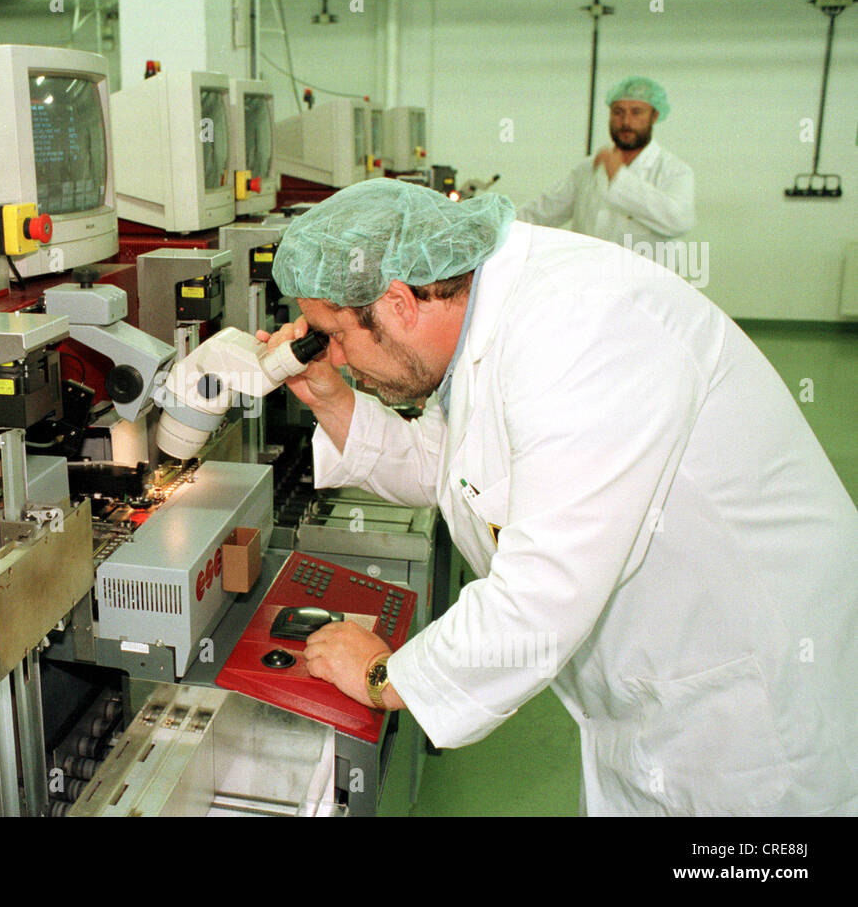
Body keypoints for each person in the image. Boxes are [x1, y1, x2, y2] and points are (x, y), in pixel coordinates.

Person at [260, 177, 858, 816]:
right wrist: (334, 401)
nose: (341, 359)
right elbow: (468, 471)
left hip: (754, 723)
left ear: (400, 303)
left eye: (338, 335)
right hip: (660, 699)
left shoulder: (583, 327)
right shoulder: (492, 320)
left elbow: (541, 596)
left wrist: (385, 678)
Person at [517, 76, 695, 253]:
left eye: (636, 112)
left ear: (654, 116)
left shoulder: (674, 170)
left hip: (643, 278)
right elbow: (542, 212)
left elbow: (680, 221)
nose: (626, 121)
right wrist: (498, 222)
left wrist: (619, 177)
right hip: (589, 276)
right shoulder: (588, 168)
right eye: (618, 112)